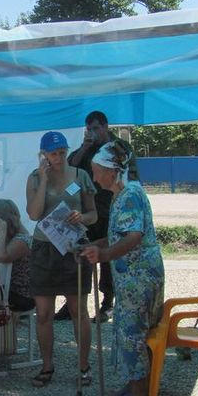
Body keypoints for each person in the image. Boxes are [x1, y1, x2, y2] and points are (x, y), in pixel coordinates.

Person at [81, 140, 164, 396]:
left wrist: (104, 255)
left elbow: (133, 236)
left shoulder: (130, 195)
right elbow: (118, 235)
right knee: (126, 330)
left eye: (97, 171)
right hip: (129, 279)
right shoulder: (121, 195)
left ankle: (140, 392)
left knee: (133, 332)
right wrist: (95, 245)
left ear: (111, 170)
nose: (95, 178)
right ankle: (133, 383)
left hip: (139, 278)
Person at [26, 131, 97, 387]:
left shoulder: (80, 175)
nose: (59, 157)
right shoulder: (34, 177)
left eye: (62, 152)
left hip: (73, 247)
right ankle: (47, 366)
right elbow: (34, 214)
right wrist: (44, 179)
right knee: (43, 313)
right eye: (54, 153)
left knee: (79, 310)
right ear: (43, 155)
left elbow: (93, 214)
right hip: (44, 248)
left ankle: (84, 366)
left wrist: (81, 217)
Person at [56, 110, 138, 324]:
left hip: (111, 209)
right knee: (82, 254)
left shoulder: (119, 148)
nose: (92, 132)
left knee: (108, 258)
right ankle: (74, 302)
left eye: (96, 128)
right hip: (88, 211)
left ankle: (107, 303)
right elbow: (70, 168)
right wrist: (85, 147)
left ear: (105, 126)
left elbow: (131, 177)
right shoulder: (88, 147)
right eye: (89, 129)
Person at [0, 198, 35, 311]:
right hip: (11, 293)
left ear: (2, 222)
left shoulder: (21, 240)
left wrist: (2, 232)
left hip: (22, 297)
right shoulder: (15, 238)